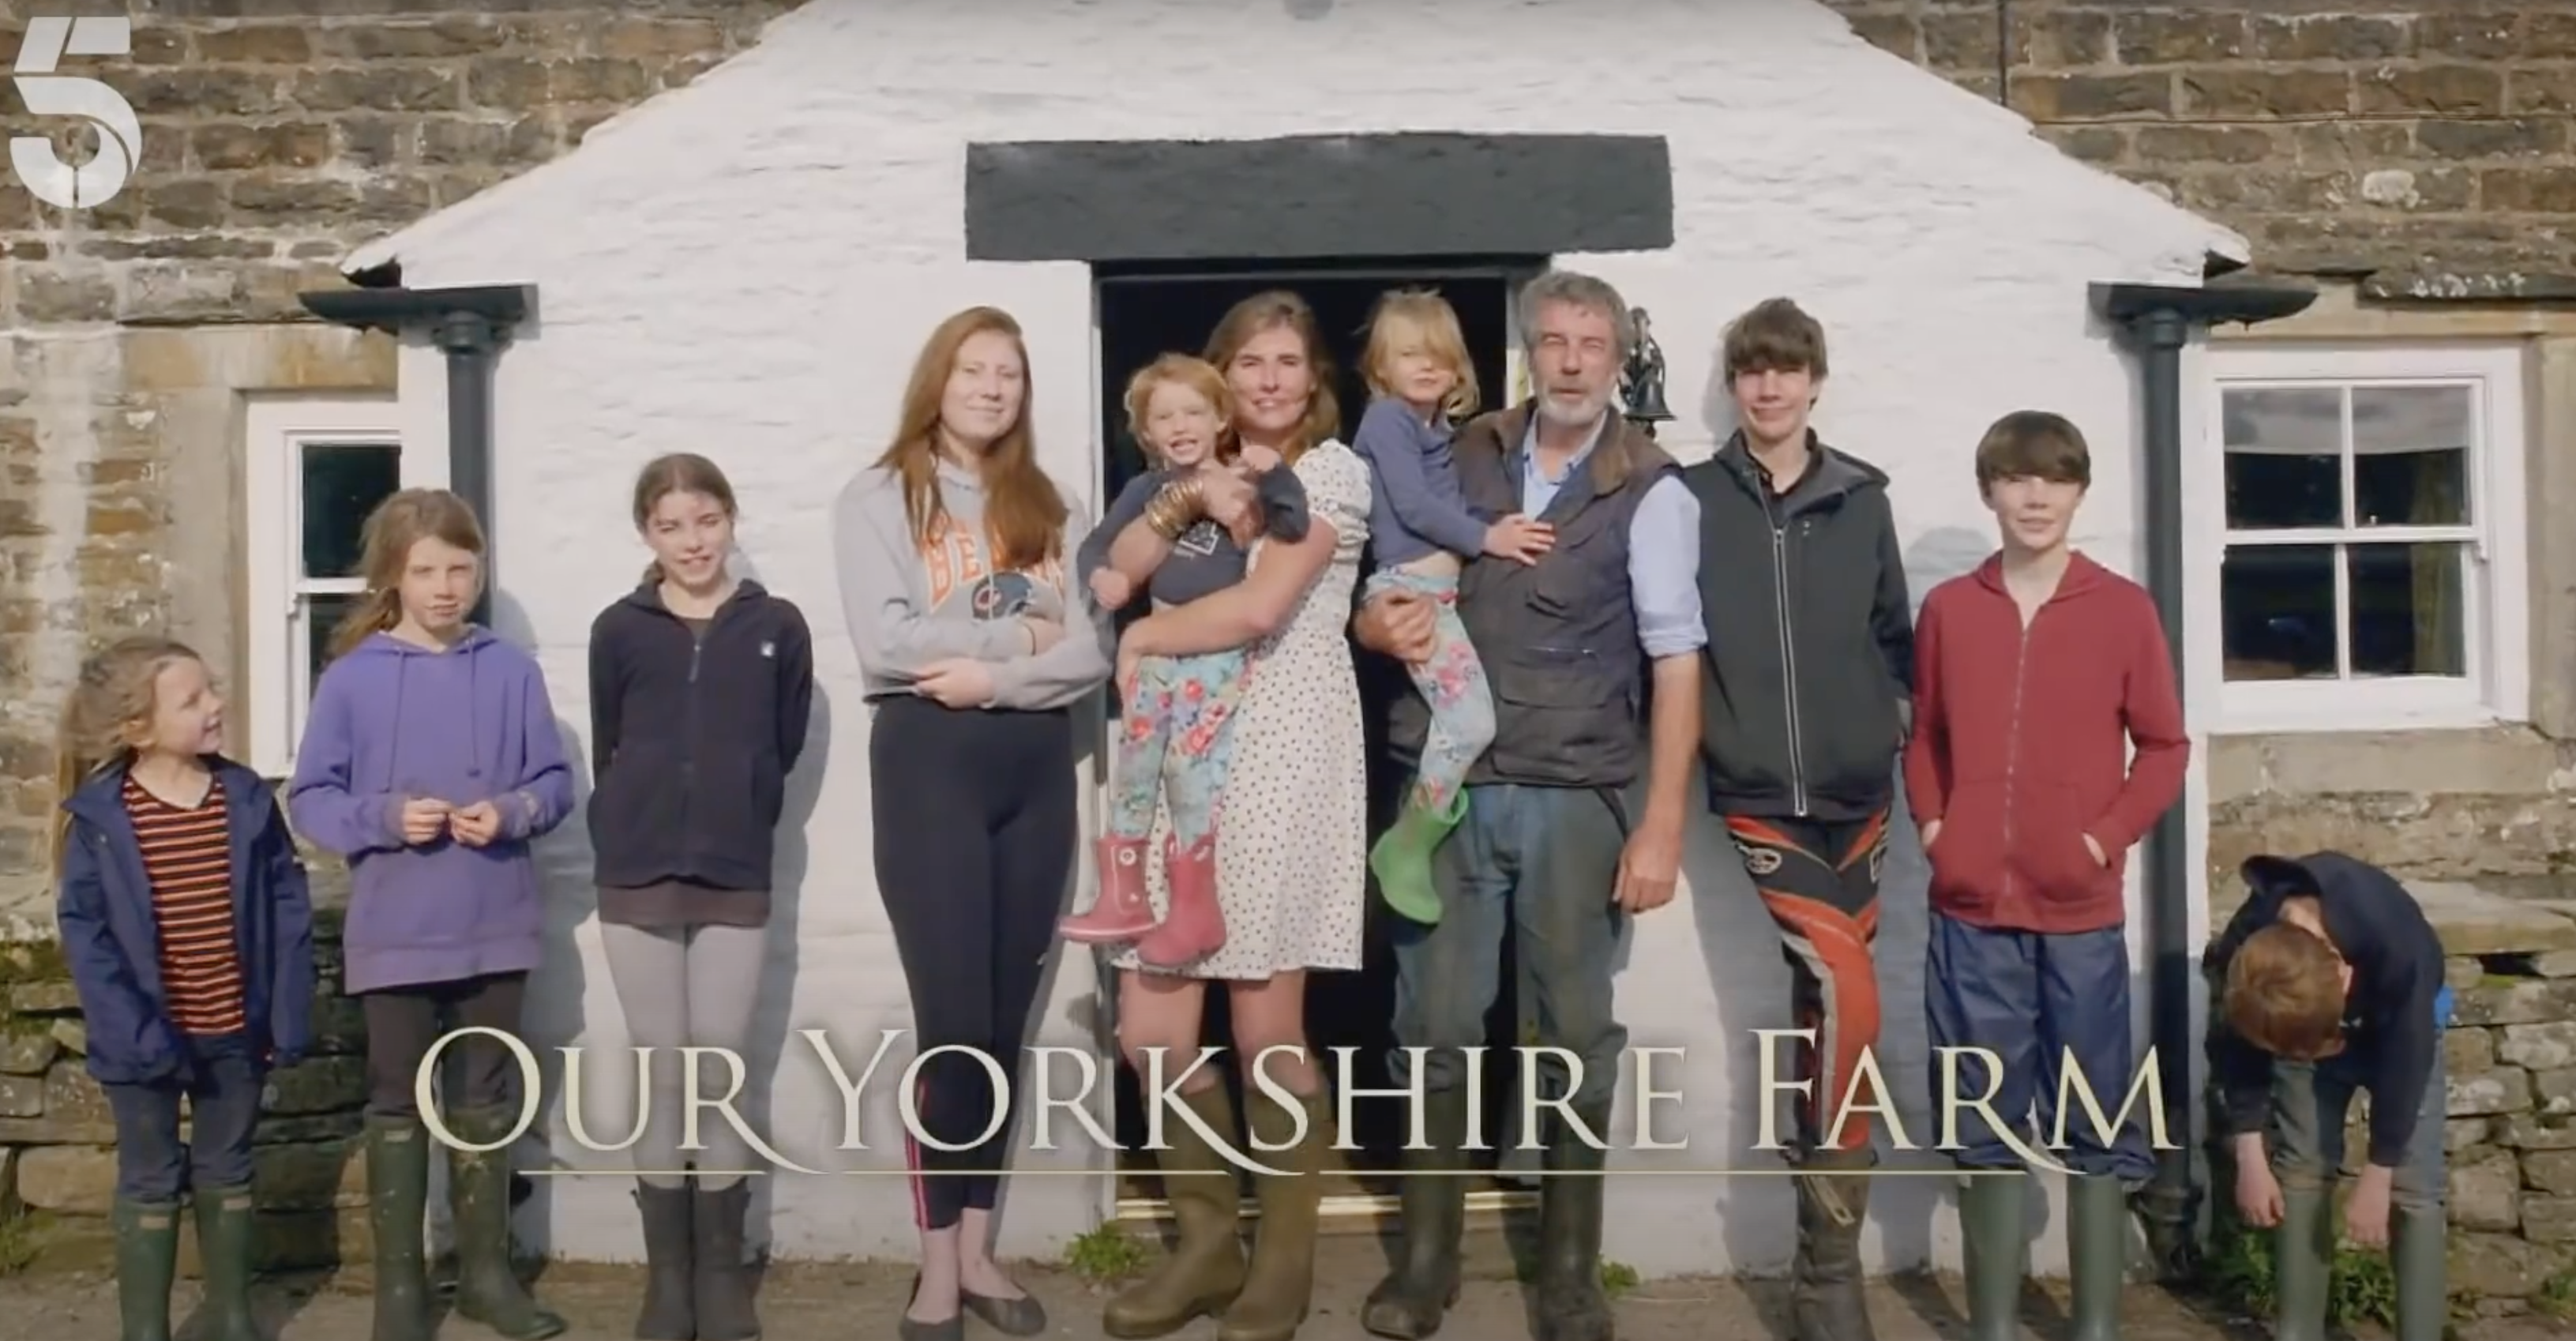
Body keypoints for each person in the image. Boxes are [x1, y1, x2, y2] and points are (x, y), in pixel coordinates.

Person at [1352, 269, 1703, 1341]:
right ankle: (1425, 1264)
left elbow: (1676, 661)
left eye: (1592, 343)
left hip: (1574, 793)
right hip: (1445, 789)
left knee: (1573, 1031)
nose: (1571, 361)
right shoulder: (1454, 449)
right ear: (1526, 352)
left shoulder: (1652, 488)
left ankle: (1568, 1273)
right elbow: (1376, 567)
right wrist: (1373, 626)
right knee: (1432, 1026)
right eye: (1553, 340)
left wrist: (1660, 825)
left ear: (1616, 360)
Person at [1089, 290, 1371, 1341]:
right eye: (1249, 361)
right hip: (1181, 755)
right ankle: (1207, 1246)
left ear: (1313, 377)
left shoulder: (1330, 473)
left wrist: (1141, 637)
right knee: (1150, 1028)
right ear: (1217, 376)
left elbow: (1258, 606)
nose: (1269, 379)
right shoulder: (1184, 477)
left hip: (1281, 753)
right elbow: (1115, 564)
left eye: (1288, 361)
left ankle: (1282, 1262)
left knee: (1264, 1025)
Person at [832, 304, 1111, 1339]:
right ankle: (936, 1267)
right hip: (928, 764)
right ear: (936, 382)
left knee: (1003, 1026)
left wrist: (994, 679)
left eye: (1009, 374)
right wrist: (1018, 636)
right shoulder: (878, 497)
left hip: (1030, 766)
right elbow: (888, 642)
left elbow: (1092, 649)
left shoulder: (1054, 503)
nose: (992, 389)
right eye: (973, 370)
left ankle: (983, 1251)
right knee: (950, 1024)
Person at [1902, 411, 2188, 1341]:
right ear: (1989, 490)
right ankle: (1992, 1322)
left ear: (2078, 491)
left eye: (2054, 479)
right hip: (1969, 910)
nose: (2035, 496)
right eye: (2017, 478)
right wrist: (1938, 828)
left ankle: (2094, 1322)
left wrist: (2101, 840)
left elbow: (2164, 747)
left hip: (2079, 910)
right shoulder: (1950, 610)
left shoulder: (2123, 609)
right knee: (1980, 1112)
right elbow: (1925, 736)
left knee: (2095, 1111)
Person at [287, 487, 575, 1341]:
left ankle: (485, 1276)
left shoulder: (511, 671)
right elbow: (312, 797)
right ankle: (401, 1294)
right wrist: (383, 818)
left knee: (485, 1096)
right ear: (392, 577)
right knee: (398, 1101)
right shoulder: (353, 679)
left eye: (460, 568)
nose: (446, 587)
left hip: (495, 922)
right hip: (397, 929)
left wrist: (512, 812)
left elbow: (553, 784)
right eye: (425, 571)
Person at [1680, 296, 1913, 1341]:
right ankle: (1833, 1273)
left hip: (1859, 795)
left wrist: (1883, 726)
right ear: (1735, 384)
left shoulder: (1862, 497)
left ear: (1814, 382)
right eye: (1751, 370)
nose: (1768, 387)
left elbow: (1893, 636)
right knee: (1847, 989)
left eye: (1786, 369)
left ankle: (1822, 1268)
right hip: (1757, 793)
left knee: (1822, 1010)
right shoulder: (1690, 499)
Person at [588, 452, 814, 1341]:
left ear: (731, 520)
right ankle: (668, 1280)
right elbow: (611, 739)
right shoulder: (619, 630)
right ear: (646, 533)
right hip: (637, 872)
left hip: (733, 870)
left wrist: (738, 800)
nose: (692, 542)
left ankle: (722, 1276)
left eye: (707, 521)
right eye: (671, 526)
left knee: (718, 1074)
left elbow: (782, 744)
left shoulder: (776, 627)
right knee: (663, 1073)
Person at [54, 634, 315, 1341]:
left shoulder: (246, 798)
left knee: (228, 1168)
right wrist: (133, 1034)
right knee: (149, 1177)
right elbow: (89, 939)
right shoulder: (102, 821)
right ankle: (146, 1329)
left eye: (212, 690)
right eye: (192, 700)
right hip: (141, 1044)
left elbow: (288, 909)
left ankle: (231, 1318)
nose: (215, 706)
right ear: (137, 727)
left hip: (236, 1032)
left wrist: (287, 1013)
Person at [1060, 352, 1309, 963]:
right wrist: (1102, 579)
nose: (1180, 426)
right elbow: (1095, 547)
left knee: (1190, 766)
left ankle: (1196, 908)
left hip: (1213, 647)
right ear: (1146, 433)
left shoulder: (1244, 479)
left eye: (1193, 412)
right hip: (1159, 638)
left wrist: (1276, 473)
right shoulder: (1146, 490)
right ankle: (1123, 895)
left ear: (1221, 418)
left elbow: (1294, 524)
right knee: (1138, 757)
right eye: (1164, 417)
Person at [1347, 287, 1553, 923]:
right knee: (1468, 724)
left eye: (1439, 354)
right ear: (1382, 366)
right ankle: (1408, 845)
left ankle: (1411, 841)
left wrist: (1491, 528)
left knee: (1467, 721)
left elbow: (1446, 505)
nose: (1427, 366)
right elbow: (1413, 507)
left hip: (1437, 594)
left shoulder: (1433, 429)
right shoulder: (1387, 421)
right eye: (1410, 354)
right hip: (1409, 594)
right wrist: (1488, 538)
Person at [2211, 852, 2450, 1341]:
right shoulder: (2248, 950)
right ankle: (2299, 1332)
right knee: (2301, 1168)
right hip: (2304, 1023)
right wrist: (2249, 1153)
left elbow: (2408, 1063)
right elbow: (2235, 1045)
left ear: (2344, 974)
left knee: (2415, 1185)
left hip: (2402, 1030)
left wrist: (2379, 1173)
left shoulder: (2397, 946)